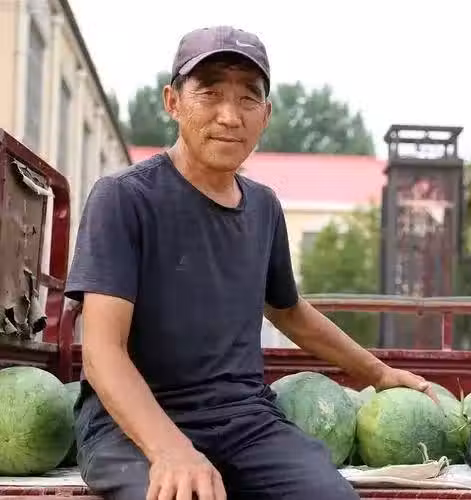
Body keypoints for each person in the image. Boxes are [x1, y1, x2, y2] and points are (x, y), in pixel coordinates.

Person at [65, 26, 436, 500]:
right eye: (210, 93)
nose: (229, 116)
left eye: (247, 98)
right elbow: (102, 352)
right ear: (172, 102)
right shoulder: (124, 198)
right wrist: (171, 451)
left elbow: (288, 310)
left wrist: (378, 374)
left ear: (266, 114)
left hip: (244, 421)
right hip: (133, 427)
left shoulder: (264, 207)